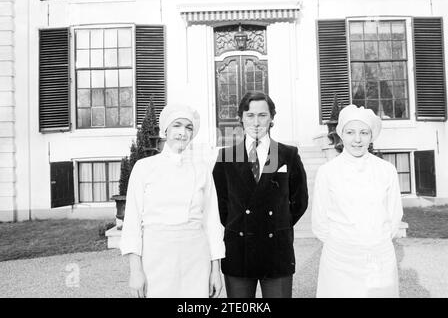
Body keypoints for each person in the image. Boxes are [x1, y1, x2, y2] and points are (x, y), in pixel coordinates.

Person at [120, 104, 225, 298]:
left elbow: (211, 221)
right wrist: (136, 271)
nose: (183, 133)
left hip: (195, 259)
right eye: (177, 125)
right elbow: (132, 223)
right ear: (165, 130)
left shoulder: (201, 169)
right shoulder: (144, 168)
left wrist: (215, 271)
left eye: (188, 127)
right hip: (156, 258)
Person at [212, 91, 308, 298]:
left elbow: (300, 201)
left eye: (262, 115)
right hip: (239, 250)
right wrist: (237, 224)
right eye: (250, 115)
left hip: (277, 251)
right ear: (241, 118)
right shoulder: (226, 156)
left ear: (272, 118)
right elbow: (219, 202)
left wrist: (279, 223)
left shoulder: (287, 154)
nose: (256, 122)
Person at [311, 104, 403, 298]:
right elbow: (320, 221)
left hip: (378, 259)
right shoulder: (327, 172)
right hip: (339, 260)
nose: (357, 139)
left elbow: (394, 216)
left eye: (364, 132)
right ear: (341, 135)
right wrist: (343, 245)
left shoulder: (386, 170)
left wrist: (374, 242)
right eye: (351, 132)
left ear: (372, 136)